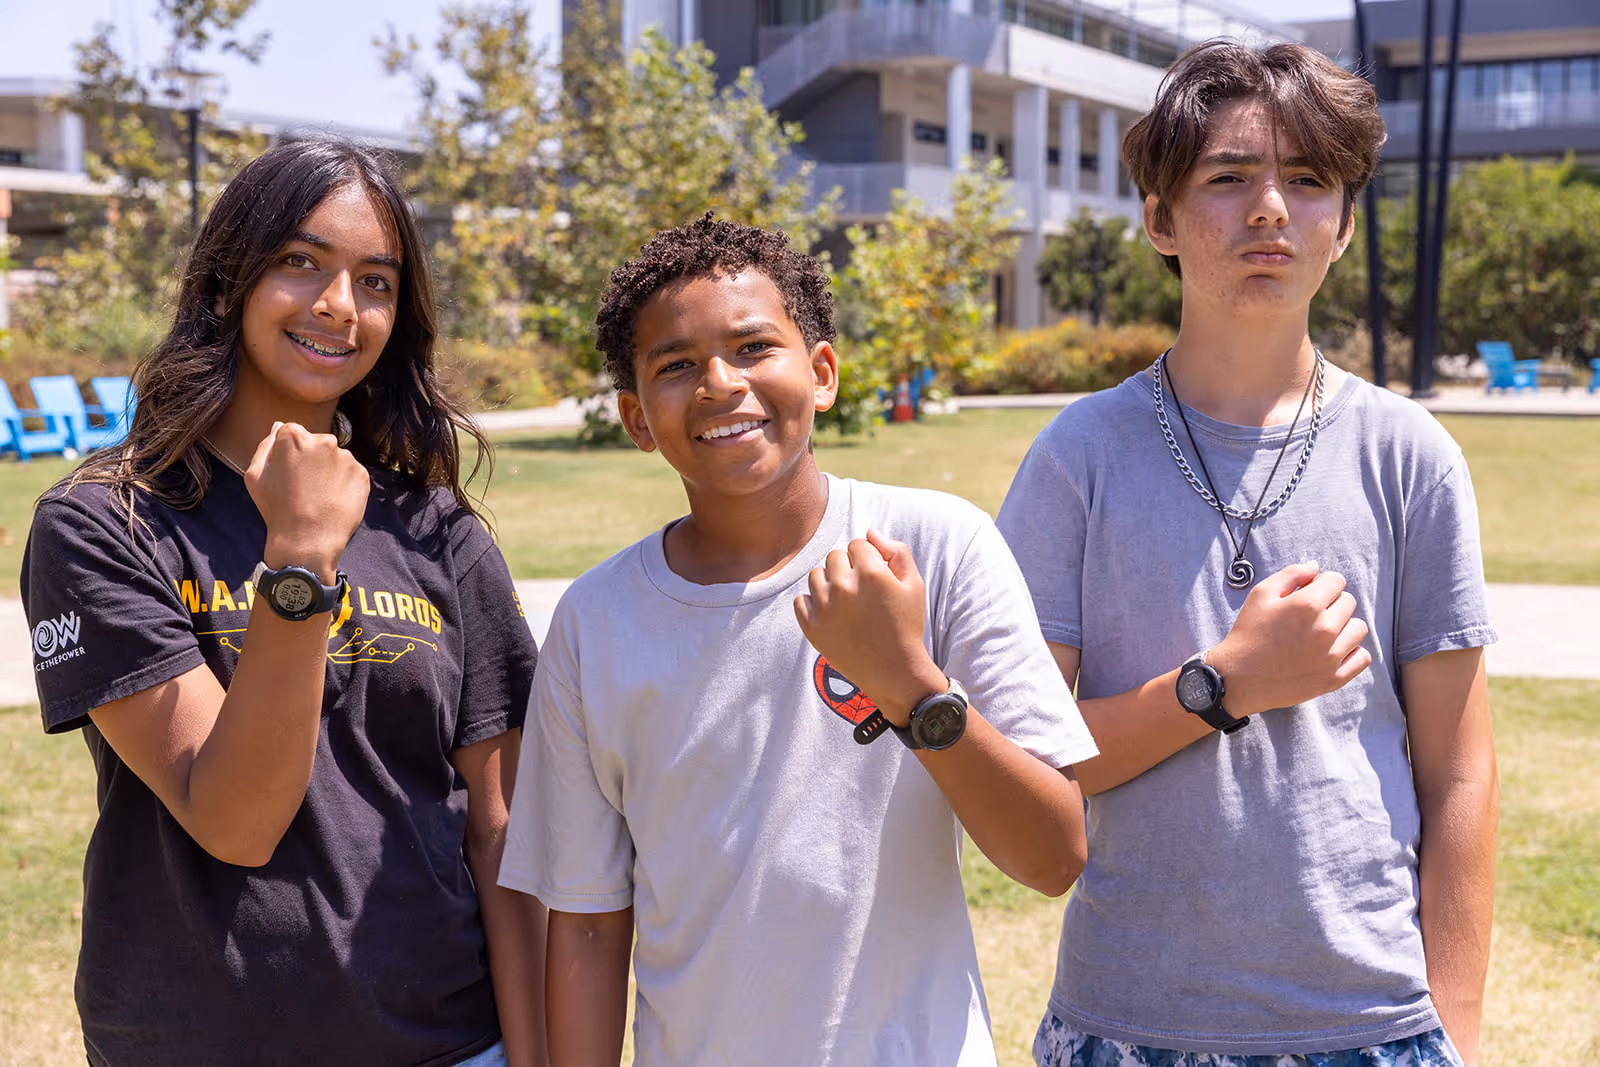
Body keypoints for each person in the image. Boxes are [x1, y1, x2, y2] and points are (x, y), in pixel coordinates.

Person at [996, 41, 1499, 1067]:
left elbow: (1459, 772)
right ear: (1159, 218)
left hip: (1373, 1026)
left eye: (1308, 179)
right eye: (1227, 178)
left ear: (1344, 225)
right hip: (1125, 1024)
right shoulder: (1075, 459)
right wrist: (1221, 680)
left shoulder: (1410, 457)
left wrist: (1449, 1028)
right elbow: (1024, 767)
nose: (1269, 208)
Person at [496, 214, 1099, 1066]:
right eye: (675, 364)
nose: (717, 383)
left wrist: (912, 687)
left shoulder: (937, 545)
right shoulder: (596, 622)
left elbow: (1052, 854)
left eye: (751, 347)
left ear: (821, 373)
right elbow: (589, 925)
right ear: (636, 418)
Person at [21, 139, 545, 1067]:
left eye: (375, 282)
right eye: (300, 263)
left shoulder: (439, 532)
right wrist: (300, 557)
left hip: (445, 1045)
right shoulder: (105, 524)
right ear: (228, 285)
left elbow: (499, 832)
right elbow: (235, 815)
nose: (340, 306)